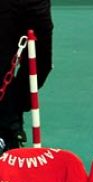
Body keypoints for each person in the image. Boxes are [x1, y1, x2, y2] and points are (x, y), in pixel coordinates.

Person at [0, 0, 52, 152]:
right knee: (2, 67)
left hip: (36, 3)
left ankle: (13, 113)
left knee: (42, 65)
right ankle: (7, 132)